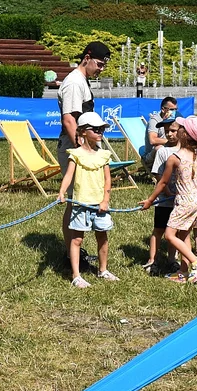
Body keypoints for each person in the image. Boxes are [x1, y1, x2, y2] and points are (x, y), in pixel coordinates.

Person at [140, 116, 197, 284]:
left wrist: (150, 200)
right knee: (184, 234)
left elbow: (163, 181)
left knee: (170, 234)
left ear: (184, 134)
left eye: (180, 128)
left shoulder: (175, 157)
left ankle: (196, 263)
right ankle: (183, 272)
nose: (177, 130)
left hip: (184, 202)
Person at [56, 41, 111, 253]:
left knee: (82, 199)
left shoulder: (82, 80)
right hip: (73, 147)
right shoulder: (74, 82)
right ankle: (71, 253)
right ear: (86, 58)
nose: (101, 69)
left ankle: (76, 250)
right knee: (74, 202)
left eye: (104, 65)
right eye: (99, 64)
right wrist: (81, 150)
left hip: (82, 148)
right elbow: (69, 120)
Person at [57, 112, 115, 288]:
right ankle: (76, 275)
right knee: (77, 240)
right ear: (82, 132)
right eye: (95, 129)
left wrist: (105, 200)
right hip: (81, 203)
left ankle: (102, 270)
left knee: (102, 237)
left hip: (99, 204)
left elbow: (107, 180)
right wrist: (61, 192)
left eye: (101, 129)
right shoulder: (76, 155)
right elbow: (68, 176)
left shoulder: (103, 155)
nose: (99, 132)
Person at [144, 117, 179, 274]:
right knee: (158, 230)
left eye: (172, 131)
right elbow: (158, 176)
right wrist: (167, 192)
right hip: (164, 200)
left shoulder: (185, 151)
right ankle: (152, 260)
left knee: (175, 231)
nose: (169, 134)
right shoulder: (162, 151)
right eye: (166, 132)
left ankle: (172, 259)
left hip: (180, 201)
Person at [142, 96, 179, 168]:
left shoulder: (174, 119)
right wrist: (171, 141)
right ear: (163, 109)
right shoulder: (154, 121)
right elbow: (152, 140)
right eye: (172, 109)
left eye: (176, 109)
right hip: (152, 156)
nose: (174, 112)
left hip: (169, 149)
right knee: (159, 148)